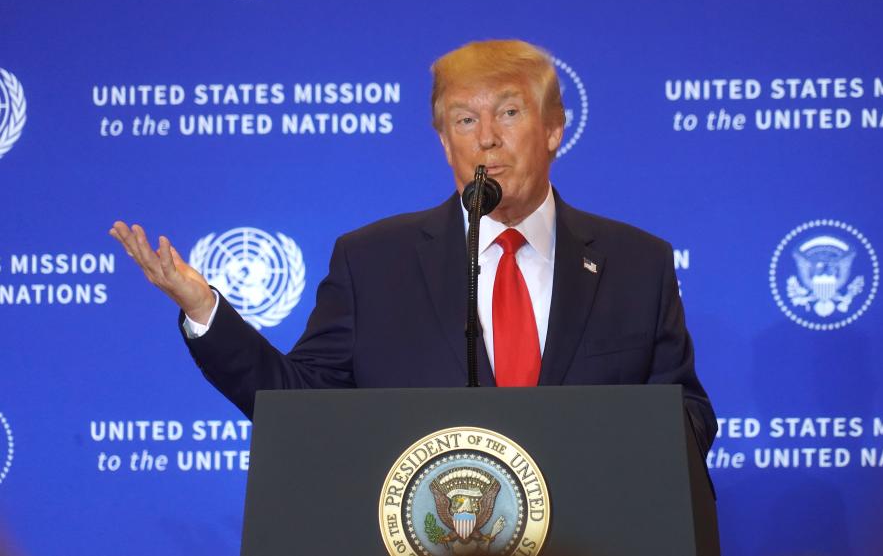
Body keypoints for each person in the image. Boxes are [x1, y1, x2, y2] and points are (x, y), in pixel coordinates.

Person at [109, 39, 717, 455]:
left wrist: (590, 446)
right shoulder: (373, 262)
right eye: (463, 120)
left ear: (554, 128)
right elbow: (299, 405)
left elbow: (688, 417)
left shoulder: (636, 263)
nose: (487, 141)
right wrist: (204, 312)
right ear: (442, 141)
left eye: (509, 112)